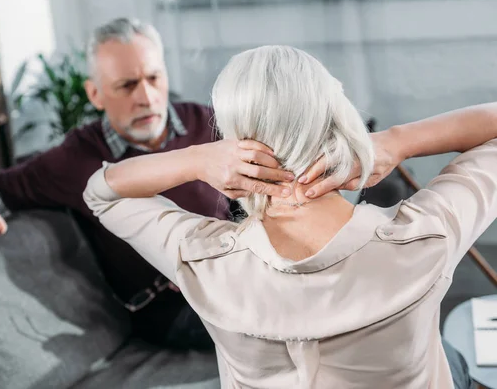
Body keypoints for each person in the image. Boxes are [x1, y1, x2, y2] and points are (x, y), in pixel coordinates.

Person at [83, 45, 494, 388]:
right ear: (338, 120)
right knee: (451, 356)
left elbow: (102, 192)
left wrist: (196, 159)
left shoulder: (204, 259)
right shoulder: (424, 238)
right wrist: (395, 143)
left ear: (231, 139)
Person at [0, 18, 295, 349]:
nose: (146, 97)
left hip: (238, 276)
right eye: (127, 85)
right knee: (288, 320)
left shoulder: (209, 124)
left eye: (154, 78)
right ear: (95, 94)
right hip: (172, 311)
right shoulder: (75, 158)